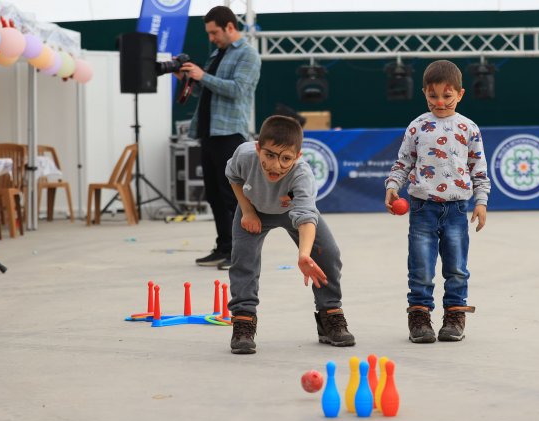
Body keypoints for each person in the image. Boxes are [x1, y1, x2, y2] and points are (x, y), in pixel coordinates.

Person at [224, 115, 356, 354]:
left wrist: (304, 255)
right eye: (269, 155)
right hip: (254, 209)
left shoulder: (302, 175)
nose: (276, 165)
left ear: (297, 156)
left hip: (291, 210)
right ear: (258, 148)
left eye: (286, 158)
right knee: (243, 258)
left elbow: (306, 217)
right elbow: (233, 177)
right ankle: (243, 319)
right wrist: (247, 211)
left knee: (328, 253)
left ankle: (329, 314)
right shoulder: (244, 155)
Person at [384, 60, 490, 344]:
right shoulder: (417, 127)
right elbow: (403, 163)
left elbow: (479, 169)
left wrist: (481, 202)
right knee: (420, 267)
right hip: (422, 208)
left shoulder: (469, 128)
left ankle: (455, 315)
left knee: (456, 267)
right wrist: (393, 186)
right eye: (433, 96)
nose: (440, 102)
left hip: (457, 209)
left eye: (447, 95)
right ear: (424, 93)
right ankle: (419, 316)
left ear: (461, 94)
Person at [182, 6, 261, 270]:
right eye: (209, 33)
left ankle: (241, 253)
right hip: (209, 133)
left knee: (232, 196)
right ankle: (224, 247)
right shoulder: (217, 53)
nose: (211, 38)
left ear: (229, 27)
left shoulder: (248, 54)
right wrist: (189, 80)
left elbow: (238, 90)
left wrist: (203, 76)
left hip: (229, 134)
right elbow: (206, 91)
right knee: (214, 195)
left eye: (214, 32)